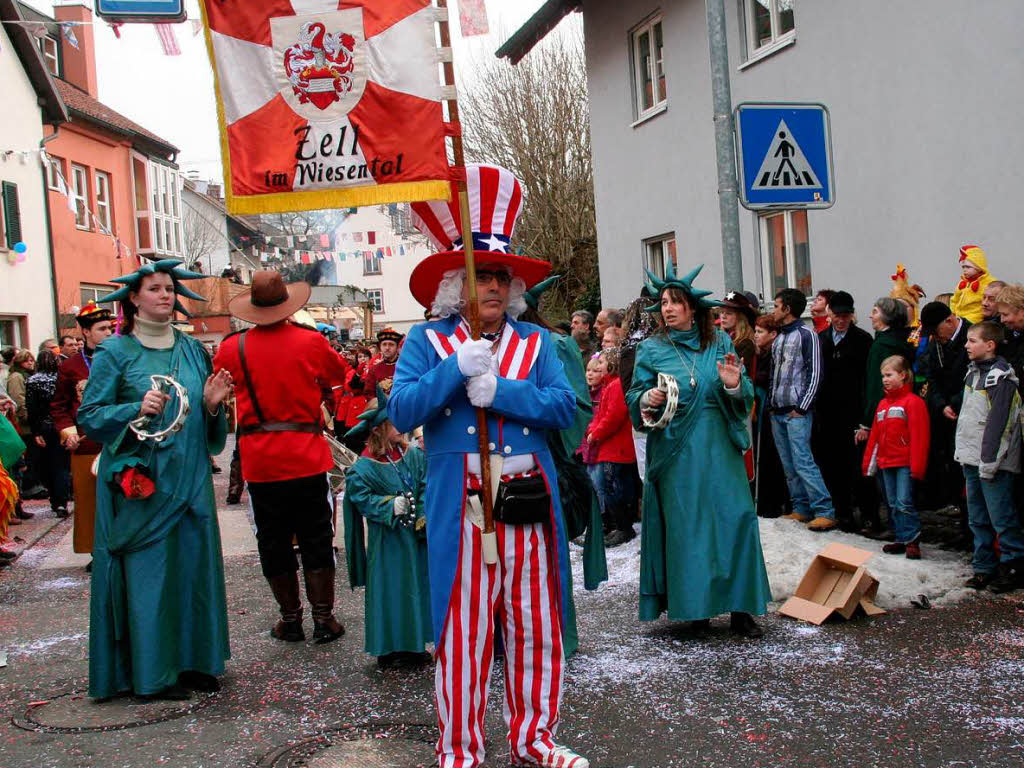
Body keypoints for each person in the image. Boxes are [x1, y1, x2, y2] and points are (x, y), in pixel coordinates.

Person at [392, 164, 587, 768]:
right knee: (464, 626)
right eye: (483, 278)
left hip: (527, 491)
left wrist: (501, 390)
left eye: (502, 277)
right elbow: (401, 411)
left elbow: (564, 407)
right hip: (462, 496)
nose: (495, 288)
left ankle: (536, 739)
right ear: (457, 286)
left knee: (534, 622)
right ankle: (460, 750)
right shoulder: (426, 342)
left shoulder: (538, 344)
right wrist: (455, 371)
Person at [79, 260, 231, 701]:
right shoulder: (115, 353)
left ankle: (195, 662)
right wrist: (133, 409)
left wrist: (212, 405)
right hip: (141, 487)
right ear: (133, 298)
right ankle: (153, 672)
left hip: (191, 481)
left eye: (169, 289)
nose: (165, 295)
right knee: (151, 574)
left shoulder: (192, 351)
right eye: (155, 289)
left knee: (194, 569)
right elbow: (90, 417)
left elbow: (206, 429)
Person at [626, 262, 771, 638]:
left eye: (676, 302)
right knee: (690, 528)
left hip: (720, 444)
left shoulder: (720, 342)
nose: (668, 308)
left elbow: (746, 395)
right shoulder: (651, 349)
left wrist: (734, 385)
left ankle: (742, 609)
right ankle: (697, 610)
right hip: (677, 450)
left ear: (693, 307)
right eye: (663, 303)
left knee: (735, 519)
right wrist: (649, 397)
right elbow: (635, 398)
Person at [215, 271, 351, 645]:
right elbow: (340, 377)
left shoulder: (231, 348)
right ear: (287, 305)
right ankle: (325, 620)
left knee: (272, 540)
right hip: (306, 455)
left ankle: (290, 620)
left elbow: (218, 389)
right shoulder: (311, 342)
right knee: (316, 536)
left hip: (261, 461)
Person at [519, 276, 607, 591]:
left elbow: (576, 405)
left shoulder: (555, 344)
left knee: (546, 550)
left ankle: (557, 631)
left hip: (546, 460)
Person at [342, 391, 431, 669]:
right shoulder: (365, 467)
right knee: (390, 591)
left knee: (416, 589)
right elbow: (360, 498)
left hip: (413, 539)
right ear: (379, 428)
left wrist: (423, 513)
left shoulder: (412, 455)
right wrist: (390, 505)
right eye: (395, 422)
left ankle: (415, 645)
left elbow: (426, 484)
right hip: (387, 543)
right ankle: (389, 647)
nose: (402, 426)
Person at [955, 322, 1024, 593]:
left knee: (1001, 517)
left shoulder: (1001, 378)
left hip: (994, 460)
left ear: (990, 345)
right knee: (977, 517)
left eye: (972, 341)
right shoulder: (972, 374)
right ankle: (984, 566)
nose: (966, 345)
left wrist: (990, 460)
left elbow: (1000, 424)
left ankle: (1013, 565)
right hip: (972, 457)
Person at [769, 288, 836, 531]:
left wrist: (802, 406)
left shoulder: (807, 335)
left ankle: (825, 510)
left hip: (796, 410)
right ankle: (801, 507)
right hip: (778, 409)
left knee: (803, 460)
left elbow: (815, 373)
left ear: (787, 309)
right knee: (788, 463)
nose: (773, 310)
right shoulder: (778, 337)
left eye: (776, 306)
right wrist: (771, 404)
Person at [51, 303, 115, 555]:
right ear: (86, 332)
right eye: (101, 329)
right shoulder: (70, 367)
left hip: (119, 441)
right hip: (86, 444)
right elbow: (58, 406)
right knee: (89, 500)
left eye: (110, 328)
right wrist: (69, 433)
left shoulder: (121, 359)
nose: (108, 333)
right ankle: (94, 551)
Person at [812, 291, 873, 532]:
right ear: (830, 315)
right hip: (827, 411)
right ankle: (842, 512)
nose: (841, 320)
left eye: (845, 316)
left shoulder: (862, 339)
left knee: (857, 466)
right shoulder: (822, 339)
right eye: (837, 315)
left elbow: (867, 378)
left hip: (852, 409)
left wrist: (864, 415)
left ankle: (868, 515)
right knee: (832, 464)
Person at [862, 356, 930, 558]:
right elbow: (874, 435)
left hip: (904, 462)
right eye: (883, 375)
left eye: (889, 375)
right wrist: (869, 464)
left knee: (903, 502)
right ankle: (900, 537)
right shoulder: (882, 404)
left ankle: (912, 539)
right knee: (891, 502)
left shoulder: (913, 402)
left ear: (902, 375)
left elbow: (920, 436)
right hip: (885, 461)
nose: (885, 379)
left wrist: (917, 466)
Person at [918, 301, 971, 520]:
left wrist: (955, 403)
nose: (934, 336)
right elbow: (931, 377)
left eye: (936, 330)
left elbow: (973, 378)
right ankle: (962, 520)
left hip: (967, 412)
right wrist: (941, 404)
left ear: (949, 321)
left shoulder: (971, 335)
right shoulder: (936, 343)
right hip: (945, 413)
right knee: (952, 468)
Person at [586, 348, 638, 547]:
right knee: (614, 487)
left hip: (615, 448)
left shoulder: (616, 386)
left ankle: (624, 527)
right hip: (612, 446)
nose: (599, 365)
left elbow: (613, 416)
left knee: (610, 488)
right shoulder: (611, 385)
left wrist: (595, 433)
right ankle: (619, 526)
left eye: (602, 362)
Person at [26, 351, 70, 517]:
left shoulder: (33, 380)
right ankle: (62, 501)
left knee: (47, 465)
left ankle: (55, 500)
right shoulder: (61, 378)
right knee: (62, 465)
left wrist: (35, 431)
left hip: (44, 427)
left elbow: (32, 408)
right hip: (62, 425)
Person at [752, 315, 788, 518]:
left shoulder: (775, 353)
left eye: (760, 332)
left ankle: (773, 503)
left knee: (771, 455)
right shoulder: (763, 352)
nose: (756, 335)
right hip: (764, 406)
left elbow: (769, 377)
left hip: (771, 407)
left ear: (773, 334)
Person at [951, 245, 998, 325]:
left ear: (979, 267)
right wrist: (953, 312)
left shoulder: (989, 282)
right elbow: (954, 300)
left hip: (976, 319)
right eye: (963, 267)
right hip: (959, 317)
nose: (965, 270)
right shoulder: (962, 283)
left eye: (968, 267)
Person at [719, 291, 758, 373]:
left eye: (729, 313)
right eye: (722, 312)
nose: (723, 316)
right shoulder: (720, 337)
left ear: (740, 318)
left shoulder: (746, 344)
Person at [996, 284, 1024, 387]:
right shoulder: (1005, 334)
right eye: (1000, 315)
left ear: (1022, 311)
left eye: (1006, 315)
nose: (1002, 320)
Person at [364, 328, 403, 394]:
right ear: (380, 347)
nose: (387, 348)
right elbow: (369, 394)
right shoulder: (374, 370)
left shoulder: (406, 368)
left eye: (391, 344)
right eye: (384, 344)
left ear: (397, 347)